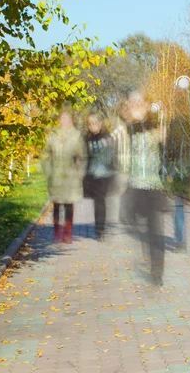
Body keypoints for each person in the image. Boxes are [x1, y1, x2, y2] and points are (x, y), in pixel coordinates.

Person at [119, 93, 170, 287]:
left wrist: (158, 116)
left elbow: (163, 137)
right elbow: (124, 118)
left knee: (155, 228)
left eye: (140, 103)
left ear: (147, 105)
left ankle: (157, 271)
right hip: (135, 184)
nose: (137, 106)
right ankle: (146, 248)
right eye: (134, 103)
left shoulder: (155, 124)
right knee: (130, 219)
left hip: (153, 185)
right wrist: (132, 113)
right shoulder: (131, 128)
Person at [41, 109, 87, 244]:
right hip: (55, 177)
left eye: (67, 119)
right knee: (56, 205)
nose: (64, 121)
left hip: (71, 177)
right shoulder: (53, 135)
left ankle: (67, 234)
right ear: (59, 120)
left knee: (68, 205)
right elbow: (45, 155)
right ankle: (56, 233)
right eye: (62, 119)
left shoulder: (76, 136)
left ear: (71, 120)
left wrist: (79, 174)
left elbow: (82, 157)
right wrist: (48, 172)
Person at [84, 113, 114, 241]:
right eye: (90, 123)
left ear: (100, 123)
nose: (92, 126)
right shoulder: (87, 139)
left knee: (100, 201)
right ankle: (99, 228)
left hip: (103, 174)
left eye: (95, 123)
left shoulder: (107, 138)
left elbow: (109, 157)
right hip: (92, 174)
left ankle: (100, 230)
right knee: (97, 201)